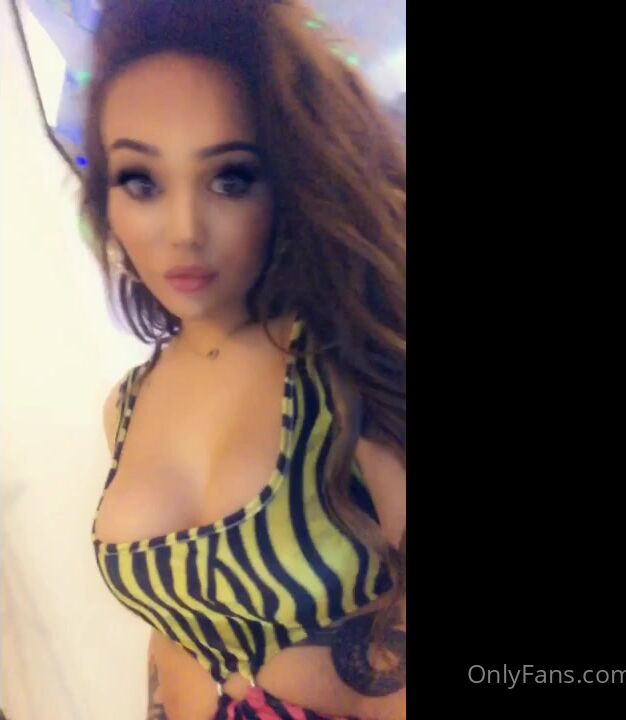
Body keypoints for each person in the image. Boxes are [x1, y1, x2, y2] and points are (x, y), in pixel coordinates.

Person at [82, 2, 405, 718]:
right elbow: (169, 637)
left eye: (229, 178)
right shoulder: (125, 407)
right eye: (141, 180)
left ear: (286, 181)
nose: (183, 231)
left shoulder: (349, 371)